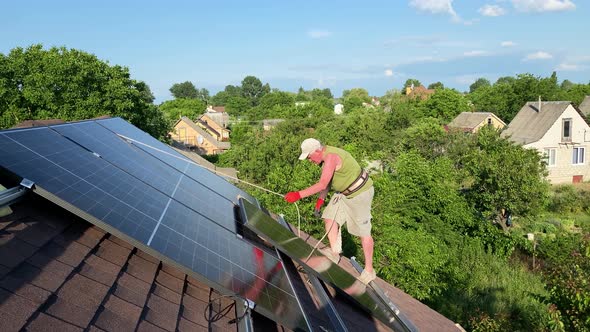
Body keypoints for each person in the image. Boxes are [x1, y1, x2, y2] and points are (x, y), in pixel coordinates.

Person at [284, 138, 376, 285]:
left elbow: (322, 184)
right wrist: (320, 201)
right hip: (343, 193)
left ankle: (369, 271)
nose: (309, 160)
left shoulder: (331, 156)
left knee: (363, 232)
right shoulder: (325, 159)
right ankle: (334, 252)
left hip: (360, 193)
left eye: (309, 156)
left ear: (318, 151)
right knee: (329, 217)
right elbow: (327, 183)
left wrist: (298, 195)